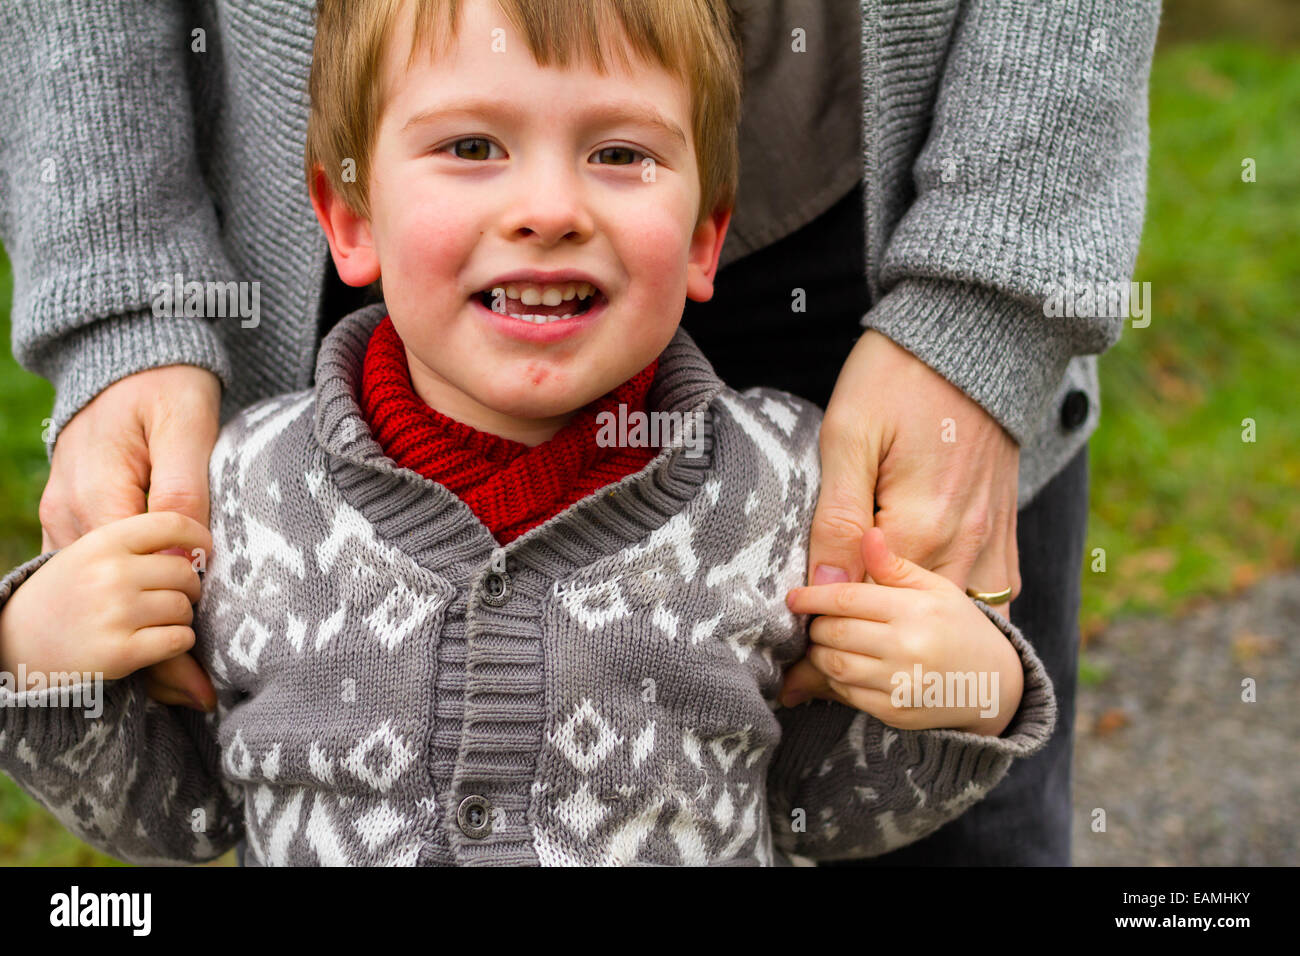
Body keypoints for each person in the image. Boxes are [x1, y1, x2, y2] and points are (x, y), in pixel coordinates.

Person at [0, 0, 1158, 864]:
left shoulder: (786, 501)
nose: (548, 207)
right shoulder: (245, 498)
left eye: (618, 153)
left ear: (707, 233)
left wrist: (971, 697)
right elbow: (180, 811)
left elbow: (820, 805)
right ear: (349, 214)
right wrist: (38, 665)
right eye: (471, 147)